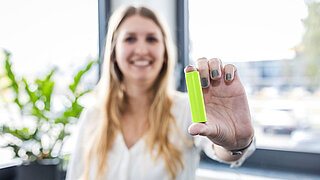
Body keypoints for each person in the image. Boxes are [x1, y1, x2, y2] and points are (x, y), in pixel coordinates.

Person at [66, 5, 255, 180]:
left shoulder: (186, 110)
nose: (141, 49)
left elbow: (221, 150)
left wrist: (235, 145)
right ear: (114, 52)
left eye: (152, 39)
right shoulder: (92, 117)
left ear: (165, 53)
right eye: (130, 39)